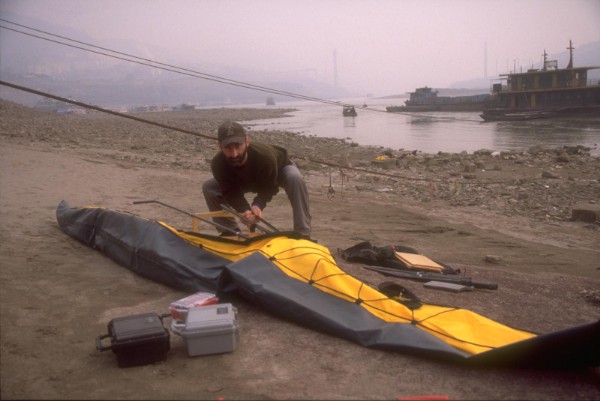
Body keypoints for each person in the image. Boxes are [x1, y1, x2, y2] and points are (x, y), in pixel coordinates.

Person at [202, 121, 312, 238]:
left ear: (246, 141)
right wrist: (244, 210)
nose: (234, 154)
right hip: (244, 180)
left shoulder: (265, 157)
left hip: (278, 171)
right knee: (209, 187)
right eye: (228, 148)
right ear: (219, 147)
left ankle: (303, 233)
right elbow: (230, 191)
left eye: (237, 146)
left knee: (295, 178)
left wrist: (258, 205)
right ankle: (230, 231)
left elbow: (270, 187)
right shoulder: (217, 164)